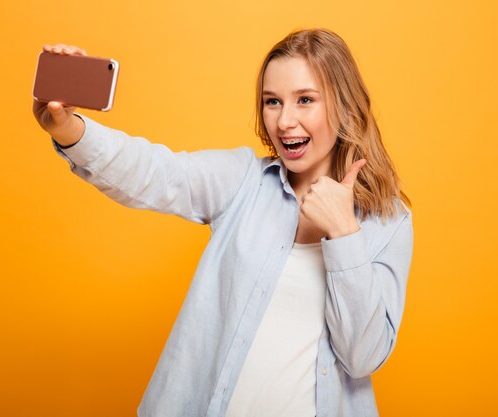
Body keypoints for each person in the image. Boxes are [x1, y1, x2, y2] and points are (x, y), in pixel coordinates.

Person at [33, 28, 413, 417]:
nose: (284, 121)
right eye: (272, 102)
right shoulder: (243, 180)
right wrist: (67, 128)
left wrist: (344, 233)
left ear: (345, 106)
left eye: (305, 100)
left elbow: (363, 357)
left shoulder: (388, 221)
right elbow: (156, 173)